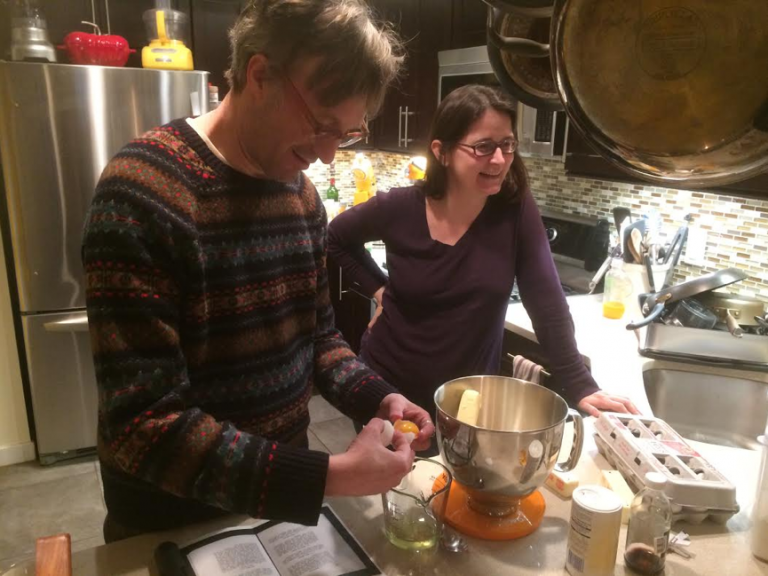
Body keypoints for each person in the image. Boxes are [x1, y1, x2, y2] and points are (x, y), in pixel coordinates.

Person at [82, 0, 434, 543]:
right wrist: (328, 477)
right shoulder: (144, 192)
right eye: (321, 125)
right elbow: (142, 427)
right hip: (170, 523)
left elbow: (316, 338)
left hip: (275, 509)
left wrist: (376, 396)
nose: (327, 155)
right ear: (260, 74)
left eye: (346, 134)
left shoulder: (302, 198)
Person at [327, 85, 639, 441]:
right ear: (441, 152)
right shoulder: (398, 207)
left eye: (507, 145)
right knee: (396, 493)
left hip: (467, 401)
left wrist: (580, 383)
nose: (499, 160)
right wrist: (379, 289)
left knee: (455, 492)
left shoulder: (515, 213)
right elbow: (335, 238)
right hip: (389, 389)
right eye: (483, 147)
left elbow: (546, 301)